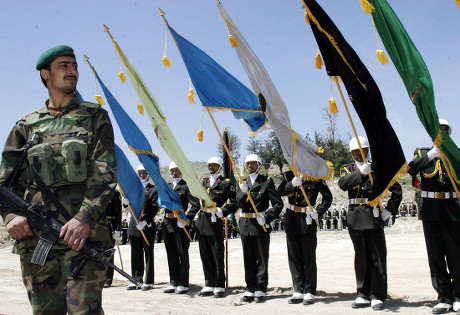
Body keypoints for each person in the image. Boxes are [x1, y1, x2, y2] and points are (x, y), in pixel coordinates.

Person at [0, 45, 117, 314]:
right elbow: (5, 183)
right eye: (64, 65)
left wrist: (84, 219)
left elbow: (105, 173)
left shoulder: (94, 117)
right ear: (45, 74)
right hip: (36, 241)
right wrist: (10, 217)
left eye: (74, 65)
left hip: (82, 241)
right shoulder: (26, 126)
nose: (72, 70)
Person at [338, 136, 402, 311]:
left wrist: (388, 211)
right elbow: (343, 184)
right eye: (355, 151)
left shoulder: (378, 167)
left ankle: (378, 294)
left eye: (362, 150)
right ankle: (362, 293)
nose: (358, 154)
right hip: (354, 216)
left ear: (367, 150)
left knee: (376, 256)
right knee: (360, 256)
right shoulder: (347, 169)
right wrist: (361, 173)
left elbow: (396, 190)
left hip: (373, 215)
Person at [408, 119, 460, 315]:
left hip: (451, 208)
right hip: (430, 210)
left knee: (455, 254)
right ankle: (443, 297)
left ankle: (458, 295)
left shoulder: (455, 153)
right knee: (435, 255)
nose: (442, 134)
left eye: (445, 131)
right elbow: (411, 169)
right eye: (439, 131)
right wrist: (430, 156)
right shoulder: (422, 153)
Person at [277, 170, 333, 305]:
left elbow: (327, 197)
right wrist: (291, 184)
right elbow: (280, 191)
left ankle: (309, 290)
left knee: (308, 256)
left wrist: (318, 212)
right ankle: (298, 288)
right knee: (294, 256)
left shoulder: (315, 176)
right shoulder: (289, 175)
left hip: (307, 217)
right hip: (291, 218)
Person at [187, 156, 238, 298]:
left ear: (220, 167)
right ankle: (208, 283)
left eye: (214, 165)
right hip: (203, 220)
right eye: (210, 165)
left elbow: (235, 202)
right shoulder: (203, 182)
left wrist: (223, 211)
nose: (211, 167)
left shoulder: (225, 183)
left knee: (217, 254)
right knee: (205, 254)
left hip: (216, 220)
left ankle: (219, 284)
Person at [236, 154, 284, 303]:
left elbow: (278, 204)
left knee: (262, 258)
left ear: (258, 165)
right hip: (245, 224)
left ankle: (261, 288)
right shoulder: (242, 182)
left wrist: (268, 217)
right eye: (248, 164)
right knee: (248, 258)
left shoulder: (266, 182)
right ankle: (249, 287)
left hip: (260, 224)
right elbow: (238, 203)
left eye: (253, 163)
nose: (250, 166)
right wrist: (243, 193)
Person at [162, 161, 201, 294]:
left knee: (182, 254)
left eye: (176, 170)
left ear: (181, 171)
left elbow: (196, 205)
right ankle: (173, 281)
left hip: (180, 224)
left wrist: (187, 219)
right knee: (171, 254)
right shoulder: (167, 187)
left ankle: (183, 282)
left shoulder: (186, 186)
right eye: (172, 170)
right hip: (167, 223)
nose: (174, 173)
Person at [123, 165, 158, 291]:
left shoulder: (153, 189)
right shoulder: (133, 188)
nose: (142, 175)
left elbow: (154, 207)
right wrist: (125, 201)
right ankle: (136, 279)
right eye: (140, 173)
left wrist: (145, 221)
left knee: (148, 253)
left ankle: (148, 281)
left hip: (146, 225)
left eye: (144, 173)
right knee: (135, 253)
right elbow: (127, 206)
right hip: (133, 224)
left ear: (148, 174)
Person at [104, 190, 123, 288]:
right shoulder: (95, 190)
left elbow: (118, 211)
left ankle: (108, 278)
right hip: (96, 225)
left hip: (108, 225)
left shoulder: (114, 193)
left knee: (108, 252)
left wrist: (118, 228)